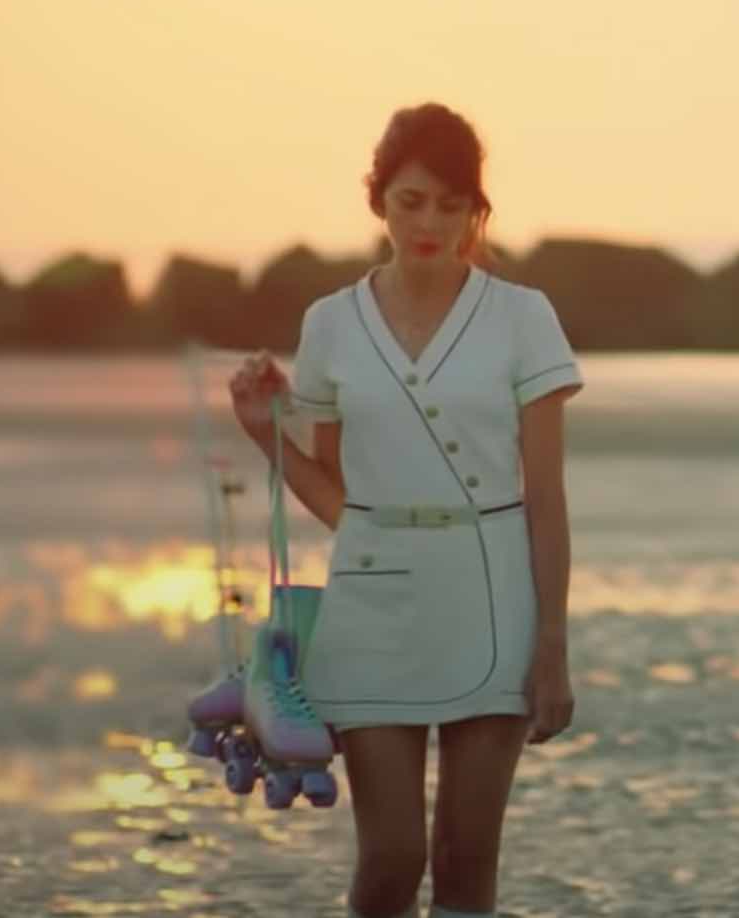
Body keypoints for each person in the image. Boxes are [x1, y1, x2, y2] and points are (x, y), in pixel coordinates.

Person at [228, 102, 581, 918]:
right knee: (391, 859)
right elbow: (339, 499)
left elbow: (547, 498)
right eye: (411, 201)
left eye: (451, 205)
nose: (430, 223)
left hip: (493, 600)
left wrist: (553, 645)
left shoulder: (524, 319)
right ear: (378, 201)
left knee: (465, 860)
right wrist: (263, 433)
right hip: (372, 601)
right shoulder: (331, 324)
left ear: (475, 210)